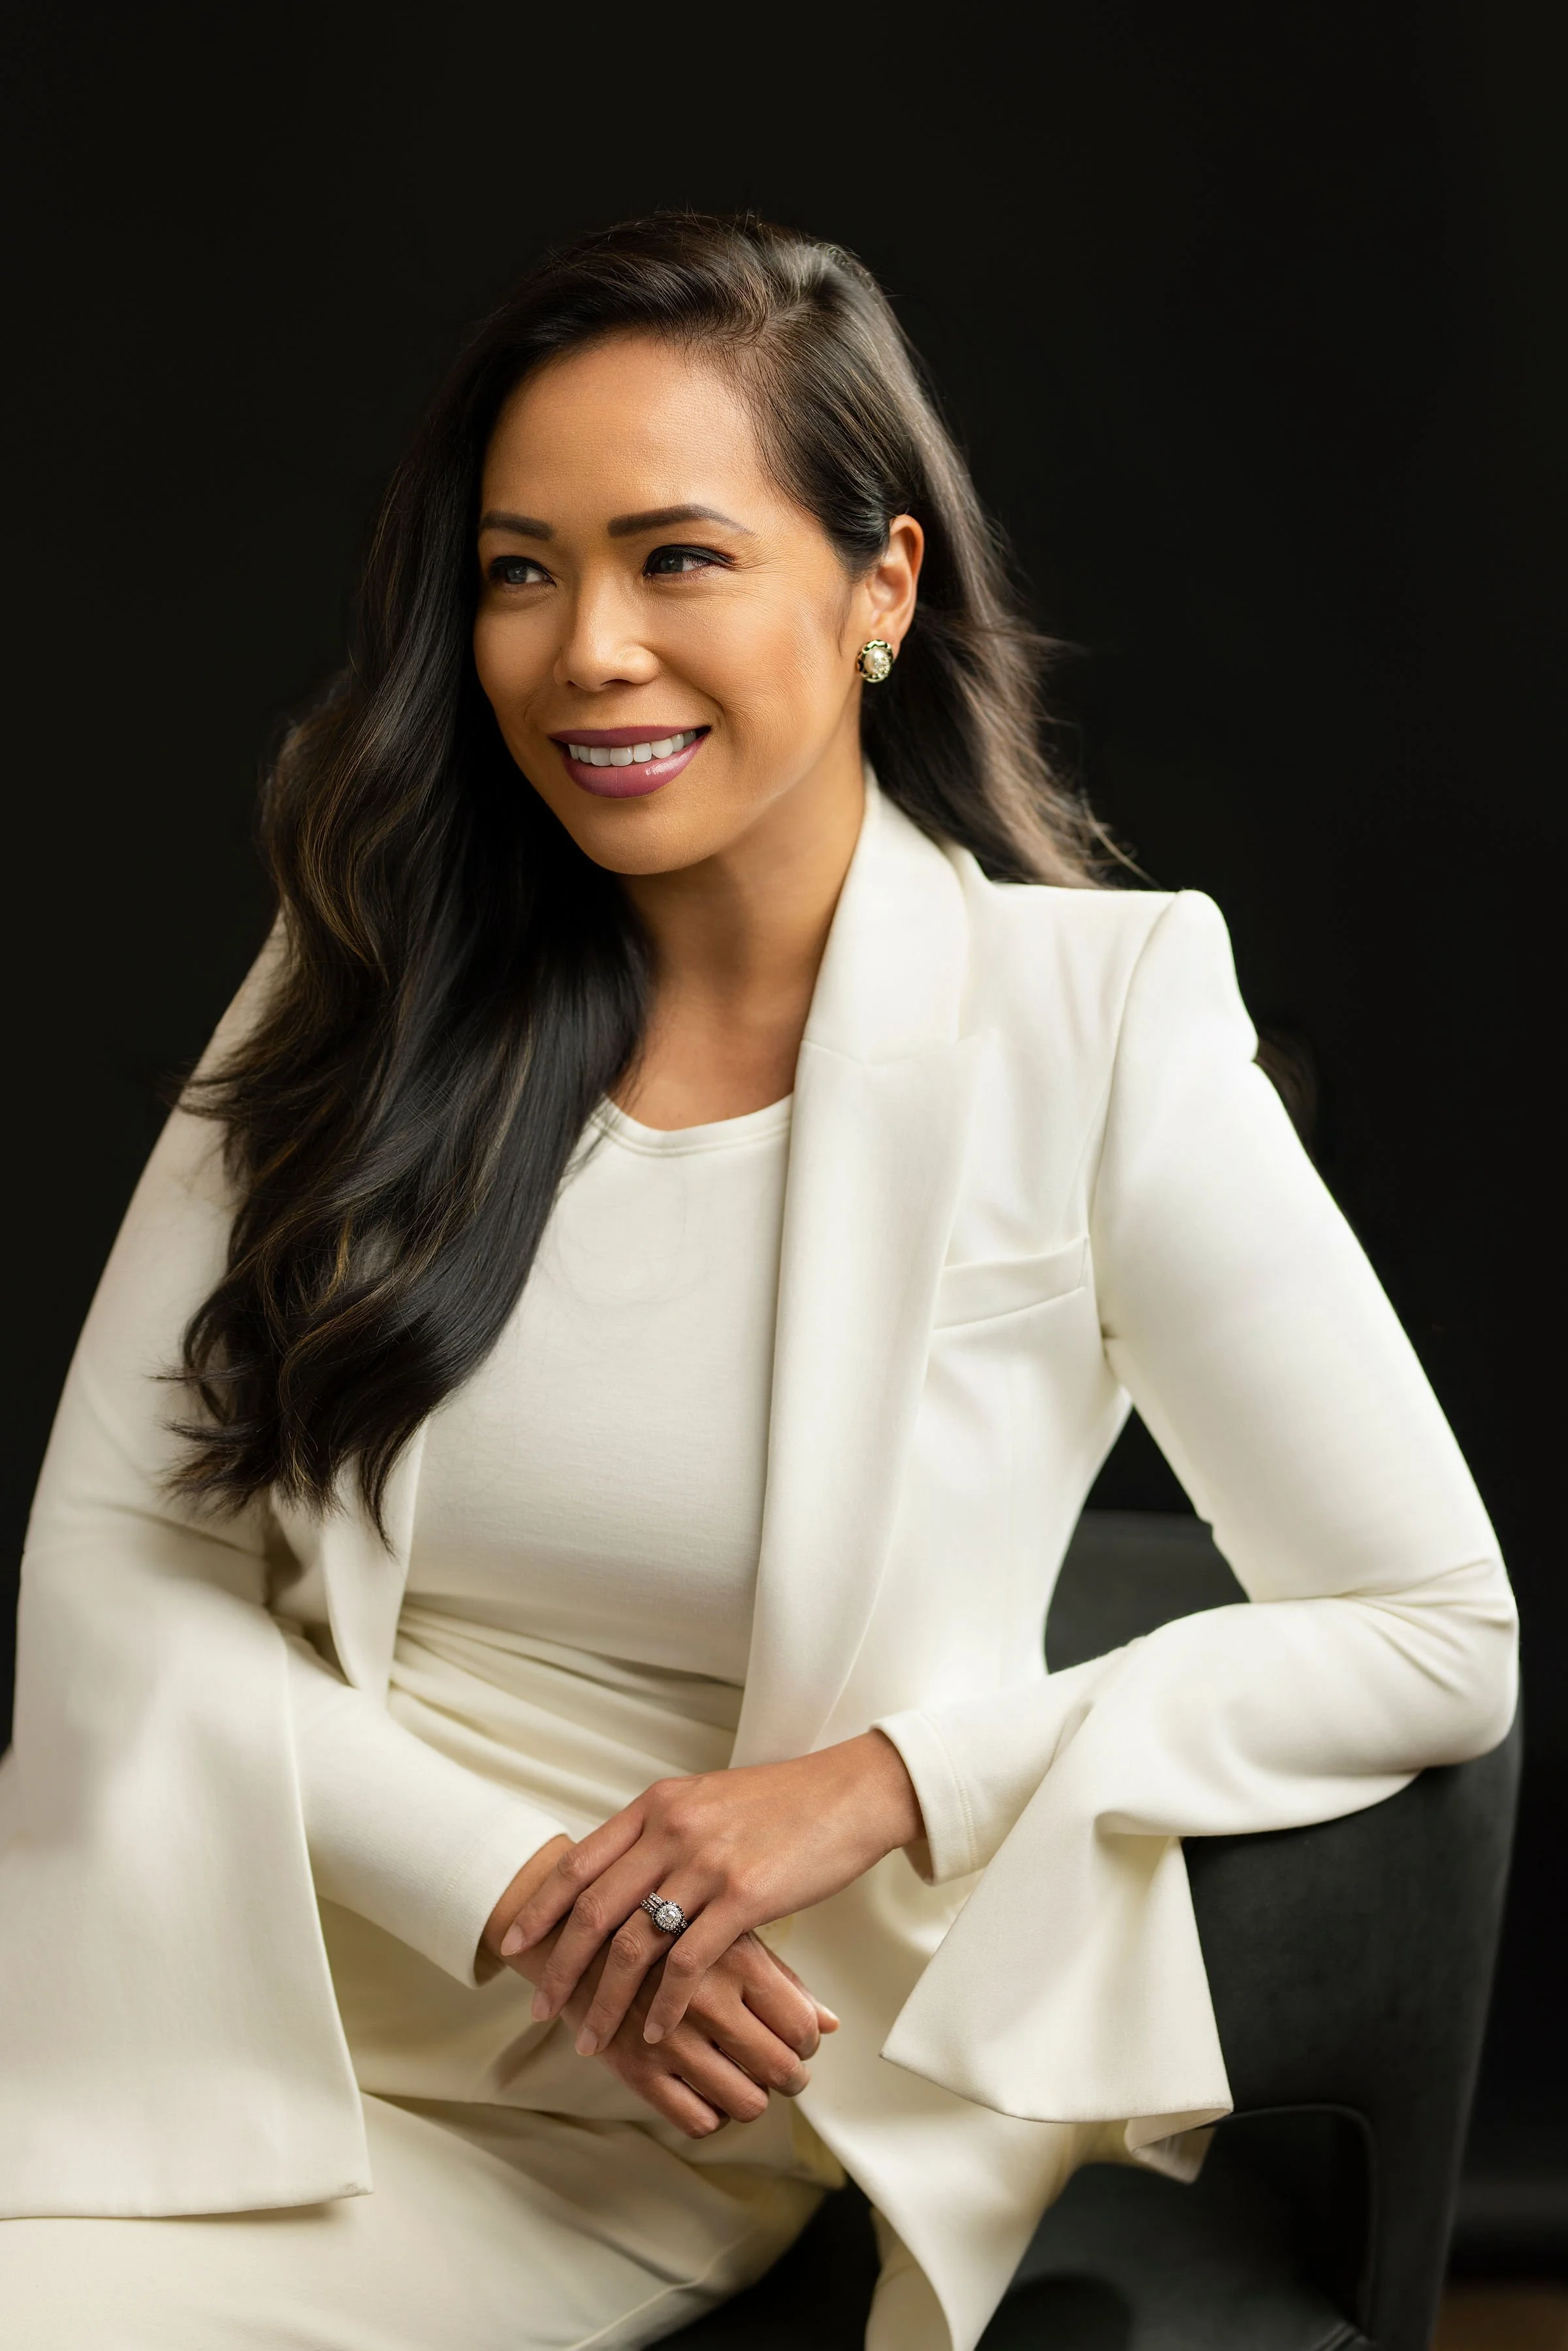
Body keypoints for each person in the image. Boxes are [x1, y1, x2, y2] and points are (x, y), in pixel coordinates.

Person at [0, 214, 1516, 2351]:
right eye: (520, 570)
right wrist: (509, 1887)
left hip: (613, 2113)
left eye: (677, 556)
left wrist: (887, 1786)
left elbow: (1434, 1634)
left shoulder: (1090, 1027)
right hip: (162, 1951)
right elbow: (110, 1567)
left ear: (882, 586)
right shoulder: (362, 970)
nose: (585, 648)